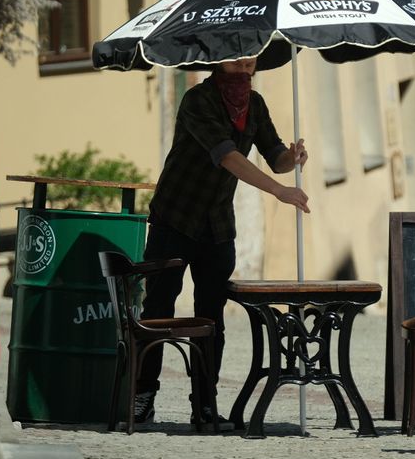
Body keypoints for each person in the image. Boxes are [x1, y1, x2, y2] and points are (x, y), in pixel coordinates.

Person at [132, 57, 311, 426]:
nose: (245, 67)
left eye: (250, 59)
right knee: (157, 310)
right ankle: (141, 394)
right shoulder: (198, 100)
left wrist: (290, 159)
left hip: (216, 225)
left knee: (211, 317)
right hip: (175, 217)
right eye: (236, 60)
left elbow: (273, 152)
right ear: (218, 63)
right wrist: (278, 190)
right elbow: (227, 156)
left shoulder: (255, 104)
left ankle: (205, 403)